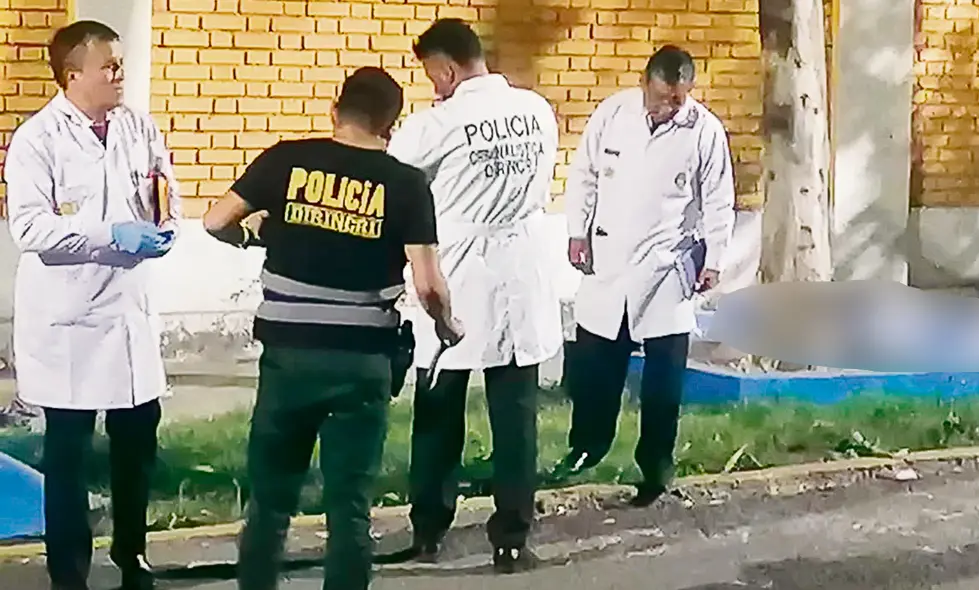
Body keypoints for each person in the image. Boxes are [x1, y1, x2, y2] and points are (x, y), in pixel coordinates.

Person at [201, 66, 462, 590]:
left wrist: (256, 237)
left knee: (270, 502)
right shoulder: (406, 185)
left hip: (288, 356)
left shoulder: (285, 159)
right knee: (349, 507)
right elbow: (429, 284)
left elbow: (214, 220)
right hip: (361, 362)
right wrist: (448, 326)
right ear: (392, 123)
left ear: (335, 112)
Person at [3, 20, 179, 590]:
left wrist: (164, 226)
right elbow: (30, 227)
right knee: (69, 456)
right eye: (109, 66)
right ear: (73, 74)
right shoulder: (38, 139)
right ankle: (69, 573)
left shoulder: (138, 126)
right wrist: (111, 234)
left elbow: (162, 189)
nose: (119, 74)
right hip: (69, 319)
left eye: (120, 64)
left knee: (137, 442)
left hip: (128, 313)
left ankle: (133, 555)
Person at [385, 18, 562, 573]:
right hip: (522, 266)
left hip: (458, 270)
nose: (433, 86)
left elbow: (388, 178)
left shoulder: (435, 123)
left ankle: (429, 529)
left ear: (446, 68)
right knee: (516, 412)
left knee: (439, 406)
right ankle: (512, 535)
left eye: (432, 76)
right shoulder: (536, 110)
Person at [556, 45, 736, 508]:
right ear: (645, 84)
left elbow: (718, 200)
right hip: (608, 259)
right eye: (663, 97)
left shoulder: (705, 130)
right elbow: (584, 176)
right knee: (597, 369)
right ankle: (586, 447)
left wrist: (714, 259)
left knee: (663, 382)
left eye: (680, 98)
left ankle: (655, 467)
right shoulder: (613, 114)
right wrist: (576, 232)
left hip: (666, 268)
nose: (671, 107)